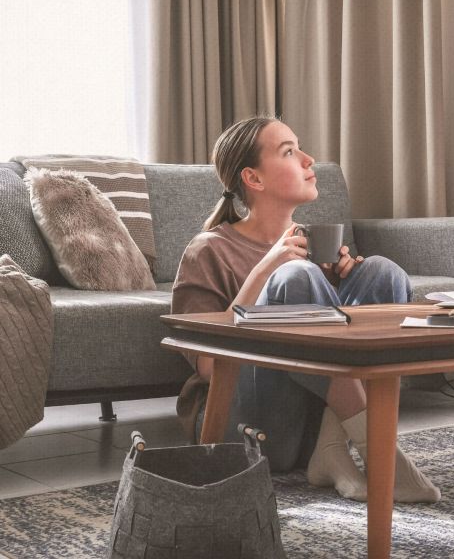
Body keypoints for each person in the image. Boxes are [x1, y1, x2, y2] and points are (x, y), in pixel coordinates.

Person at [172, 115, 440, 503]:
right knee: (296, 277)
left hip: (311, 428)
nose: (308, 159)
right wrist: (267, 269)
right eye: (289, 152)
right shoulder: (208, 250)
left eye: (300, 148)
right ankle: (382, 452)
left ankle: (331, 451)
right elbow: (208, 366)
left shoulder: (313, 249)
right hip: (247, 429)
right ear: (254, 178)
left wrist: (339, 282)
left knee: (383, 273)